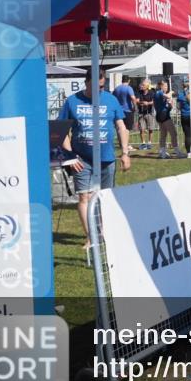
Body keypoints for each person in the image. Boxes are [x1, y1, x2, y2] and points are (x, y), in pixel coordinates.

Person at [58, 67, 130, 251]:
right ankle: (91, 237)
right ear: (87, 82)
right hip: (82, 159)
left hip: (107, 158)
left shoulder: (111, 100)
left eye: (103, 86)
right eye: (96, 86)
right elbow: (62, 131)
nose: (100, 90)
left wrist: (125, 152)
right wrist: (70, 156)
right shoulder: (72, 101)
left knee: (105, 198)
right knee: (84, 197)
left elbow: (121, 127)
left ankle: (104, 233)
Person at [153, 79, 181, 158]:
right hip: (163, 115)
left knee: (163, 134)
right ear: (161, 86)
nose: (166, 87)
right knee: (173, 133)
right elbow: (168, 96)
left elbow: (167, 105)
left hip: (161, 115)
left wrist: (170, 104)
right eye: (165, 86)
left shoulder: (161, 94)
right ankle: (176, 151)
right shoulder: (159, 92)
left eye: (167, 86)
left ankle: (162, 152)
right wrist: (171, 92)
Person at [112, 75, 137, 144]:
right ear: (129, 80)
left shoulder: (117, 88)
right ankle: (126, 144)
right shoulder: (129, 88)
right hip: (127, 111)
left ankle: (121, 143)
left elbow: (113, 99)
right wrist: (135, 106)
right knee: (127, 129)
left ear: (122, 80)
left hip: (118, 111)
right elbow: (133, 98)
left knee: (119, 128)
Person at [135, 78, 156, 150]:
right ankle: (143, 143)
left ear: (147, 85)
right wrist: (141, 103)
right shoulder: (139, 92)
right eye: (142, 84)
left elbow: (154, 101)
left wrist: (148, 103)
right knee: (142, 129)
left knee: (151, 128)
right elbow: (137, 100)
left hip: (149, 113)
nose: (142, 86)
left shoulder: (152, 92)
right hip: (141, 113)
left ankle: (149, 143)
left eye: (143, 85)